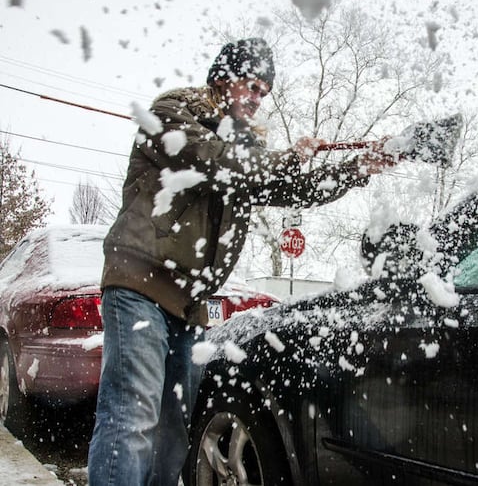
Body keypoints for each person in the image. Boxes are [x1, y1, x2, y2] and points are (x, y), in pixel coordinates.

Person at [88, 37, 395, 486]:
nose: (256, 100)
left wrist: (357, 168)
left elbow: (292, 190)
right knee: (132, 416)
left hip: (190, 305)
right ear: (223, 77)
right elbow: (218, 162)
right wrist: (288, 156)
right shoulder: (173, 113)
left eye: (263, 93)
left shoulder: (244, 150)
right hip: (141, 286)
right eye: (251, 86)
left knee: (173, 430)